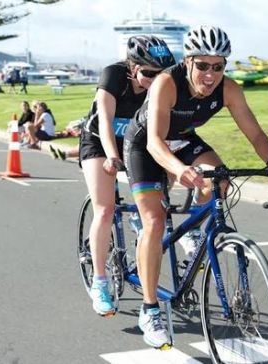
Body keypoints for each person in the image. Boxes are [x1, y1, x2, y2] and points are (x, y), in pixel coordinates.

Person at [123, 25, 268, 348]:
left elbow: (255, 134)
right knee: (155, 221)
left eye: (218, 66)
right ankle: (150, 309)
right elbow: (156, 143)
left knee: (221, 179)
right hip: (145, 145)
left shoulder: (228, 90)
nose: (210, 74)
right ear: (188, 62)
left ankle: (195, 235)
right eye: (202, 65)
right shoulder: (166, 84)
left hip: (183, 139)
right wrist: (180, 170)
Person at [79, 35, 175, 317]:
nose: (154, 81)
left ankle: (139, 222)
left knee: (160, 191)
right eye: (147, 74)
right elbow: (105, 123)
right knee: (106, 209)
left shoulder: (160, 86)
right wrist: (111, 156)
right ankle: (99, 283)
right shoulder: (113, 76)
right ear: (132, 68)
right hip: (99, 141)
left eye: (160, 75)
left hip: (135, 142)